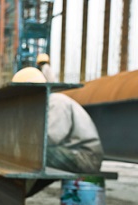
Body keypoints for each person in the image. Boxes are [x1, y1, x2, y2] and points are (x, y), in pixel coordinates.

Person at [12, 67, 104, 197]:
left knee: (34, 154)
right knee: (32, 153)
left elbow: (51, 138)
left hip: (85, 157)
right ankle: (19, 195)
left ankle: (17, 194)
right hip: (68, 153)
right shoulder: (44, 104)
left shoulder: (56, 102)